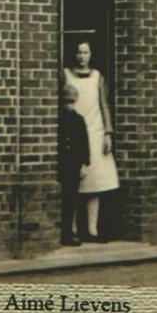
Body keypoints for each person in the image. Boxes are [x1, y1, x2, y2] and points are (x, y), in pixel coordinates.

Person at [63, 41, 119, 242]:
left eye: (85, 52)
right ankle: (73, 229)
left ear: (91, 54)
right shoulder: (66, 74)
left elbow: (104, 105)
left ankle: (92, 229)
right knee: (76, 183)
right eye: (78, 52)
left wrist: (107, 133)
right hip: (76, 133)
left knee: (95, 182)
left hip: (95, 131)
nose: (81, 56)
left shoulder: (97, 77)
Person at [58, 83, 90, 247]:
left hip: (74, 165)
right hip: (62, 164)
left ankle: (69, 232)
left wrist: (84, 164)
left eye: (72, 102)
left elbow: (84, 144)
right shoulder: (58, 120)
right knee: (62, 198)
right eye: (65, 102)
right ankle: (61, 232)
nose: (69, 106)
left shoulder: (79, 120)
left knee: (71, 199)